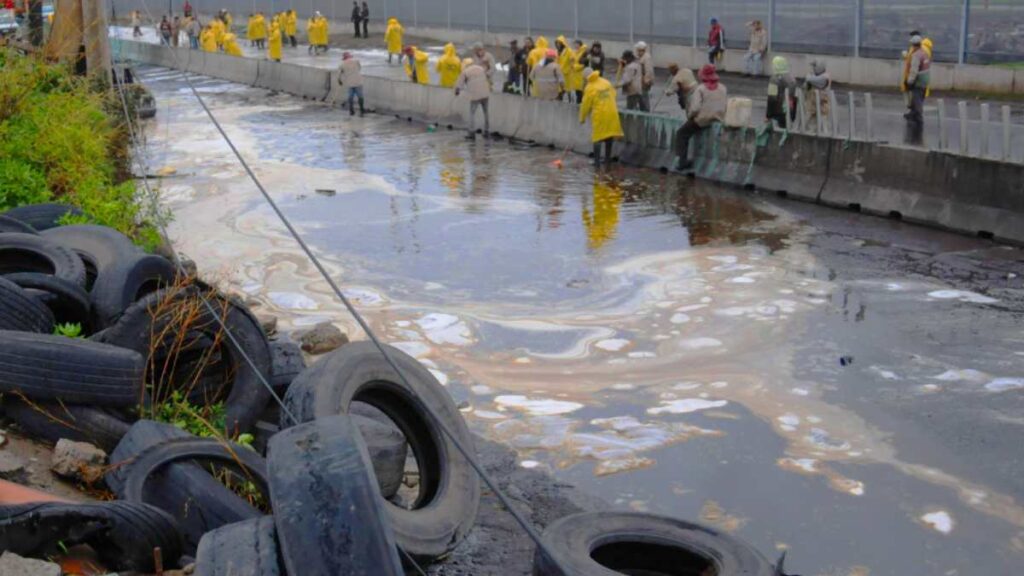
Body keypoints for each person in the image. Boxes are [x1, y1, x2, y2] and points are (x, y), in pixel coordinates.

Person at [674, 64, 727, 171]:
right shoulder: (723, 88)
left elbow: (695, 108)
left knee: (681, 133)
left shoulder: (701, 89)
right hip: (719, 117)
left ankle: (682, 162)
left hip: (703, 120)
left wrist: (690, 117)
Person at [579, 70, 624, 166]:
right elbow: (614, 94)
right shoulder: (606, 82)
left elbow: (585, 105)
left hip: (600, 115)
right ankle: (607, 160)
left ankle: (597, 162)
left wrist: (582, 118)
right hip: (612, 112)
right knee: (609, 136)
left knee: (597, 138)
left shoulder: (590, 87)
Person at [456, 57, 490, 139]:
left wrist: (457, 91)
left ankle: (471, 133)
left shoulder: (465, 72)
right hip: (485, 93)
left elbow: (459, 84)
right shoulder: (480, 68)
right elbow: (487, 76)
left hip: (475, 95)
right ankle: (487, 131)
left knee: (472, 113)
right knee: (486, 112)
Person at [902, 34, 930, 126]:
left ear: (914, 45)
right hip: (925, 79)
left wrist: (909, 82)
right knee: (919, 98)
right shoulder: (924, 53)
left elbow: (914, 70)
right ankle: (913, 115)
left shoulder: (916, 55)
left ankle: (918, 118)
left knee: (916, 99)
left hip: (918, 81)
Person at [765, 56, 796, 128]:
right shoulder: (791, 78)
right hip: (790, 109)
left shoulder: (774, 79)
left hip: (779, 111)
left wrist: (768, 115)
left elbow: (771, 99)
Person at [804, 59, 831, 133]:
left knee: (824, 125)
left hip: (822, 105)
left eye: (814, 67)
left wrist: (809, 74)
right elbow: (806, 87)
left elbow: (809, 79)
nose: (813, 69)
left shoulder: (824, 77)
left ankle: (825, 135)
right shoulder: (816, 76)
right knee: (811, 126)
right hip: (813, 105)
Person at [338, 52, 365, 116]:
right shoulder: (356, 61)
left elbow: (339, 75)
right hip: (358, 82)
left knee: (350, 97)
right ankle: (362, 110)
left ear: (344, 58)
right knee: (360, 96)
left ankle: (351, 111)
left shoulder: (342, 65)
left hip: (350, 83)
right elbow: (359, 68)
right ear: (350, 57)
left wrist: (340, 81)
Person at [635, 41, 654, 110]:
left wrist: (647, 80)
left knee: (644, 98)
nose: (637, 51)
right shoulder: (641, 57)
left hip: (644, 82)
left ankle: (646, 112)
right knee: (641, 98)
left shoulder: (646, 57)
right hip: (640, 82)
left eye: (638, 50)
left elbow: (648, 70)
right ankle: (643, 111)